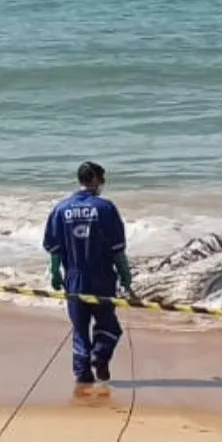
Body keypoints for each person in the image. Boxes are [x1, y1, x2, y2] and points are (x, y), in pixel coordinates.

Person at [43, 161, 133, 384]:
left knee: (80, 328)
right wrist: (125, 275)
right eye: (101, 179)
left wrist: (55, 273)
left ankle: (82, 373)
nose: (102, 184)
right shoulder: (105, 208)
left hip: (74, 278)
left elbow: (54, 248)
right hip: (102, 277)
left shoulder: (61, 209)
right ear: (93, 178)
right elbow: (117, 249)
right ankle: (99, 357)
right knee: (109, 326)